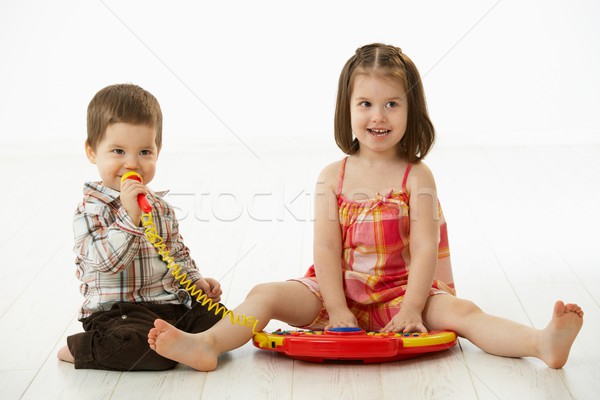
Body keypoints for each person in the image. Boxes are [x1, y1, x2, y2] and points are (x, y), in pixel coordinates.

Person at [147, 43, 583, 371]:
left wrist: (413, 307)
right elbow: (326, 252)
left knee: (463, 313)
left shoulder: (417, 177)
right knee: (266, 294)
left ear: (412, 111)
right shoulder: (332, 176)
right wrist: (336, 308)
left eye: (392, 104)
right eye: (366, 104)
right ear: (348, 108)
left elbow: (427, 251)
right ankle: (210, 344)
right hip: (339, 290)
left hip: (403, 294)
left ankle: (540, 343)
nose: (379, 116)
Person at [57, 83, 224, 370]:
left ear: (158, 151)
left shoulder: (159, 206)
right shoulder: (90, 210)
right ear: (92, 152)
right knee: (145, 347)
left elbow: (176, 253)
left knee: (223, 323)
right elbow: (107, 263)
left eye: (145, 151)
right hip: (117, 314)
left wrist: (194, 280)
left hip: (168, 305)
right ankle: (82, 348)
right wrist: (129, 217)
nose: (132, 163)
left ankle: (187, 344)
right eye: (118, 151)